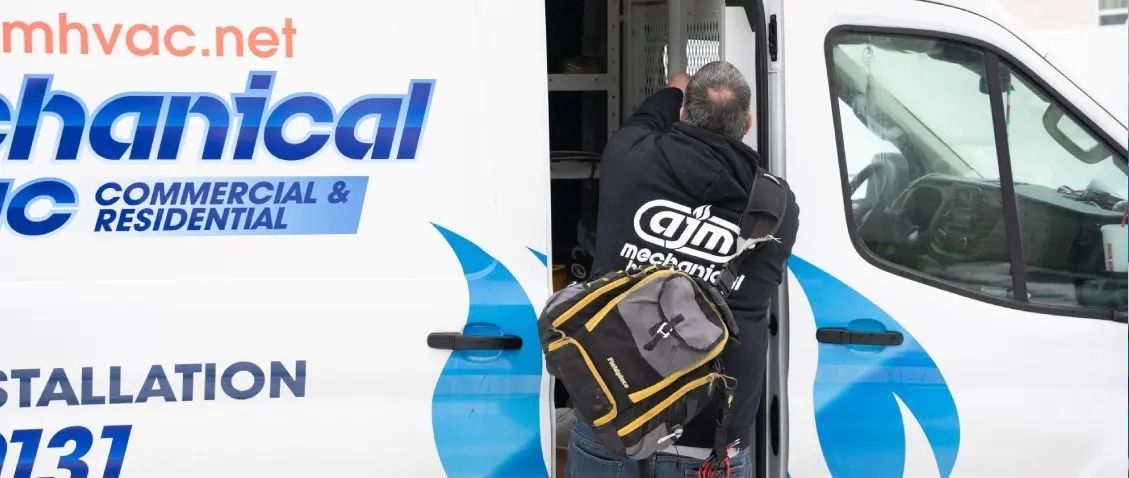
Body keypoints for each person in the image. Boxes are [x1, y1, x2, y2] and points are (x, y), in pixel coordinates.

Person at [565, 61, 800, 477]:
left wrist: (676, 87)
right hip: (709, 439)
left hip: (613, 416)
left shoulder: (628, 156)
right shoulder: (775, 208)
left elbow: (650, 115)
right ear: (747, 124)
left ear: (681, 114)